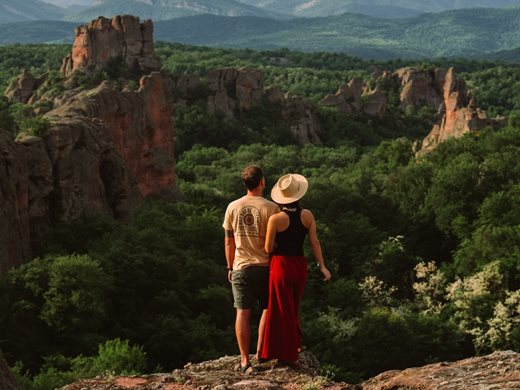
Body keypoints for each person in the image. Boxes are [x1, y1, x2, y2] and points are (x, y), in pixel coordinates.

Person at [260, 173, 331, 364]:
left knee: (280, 309)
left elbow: (267, 248)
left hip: (281, 265)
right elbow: (314, 243)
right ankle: (296, 346)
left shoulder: (276, 219)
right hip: (299, 265)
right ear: (298, 195)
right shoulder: (307, 215)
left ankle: (283, 352)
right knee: (294, 307)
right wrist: (322, 266)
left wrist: (275, 246)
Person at [223, 165, 279, 372]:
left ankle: (245, 360)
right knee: (267, 308)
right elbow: (275, 242)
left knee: (242, 313)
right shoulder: (272, 208)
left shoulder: (232, 207)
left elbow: (229, 242)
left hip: (240, 266)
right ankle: (261, 352)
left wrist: (230, 266)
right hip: (266, 266)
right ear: (262, 182)